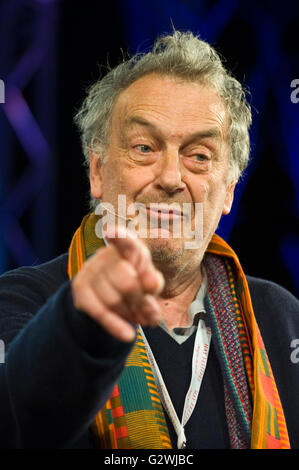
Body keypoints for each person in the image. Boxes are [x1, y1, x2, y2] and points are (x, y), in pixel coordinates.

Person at [0, 30, 298, 450]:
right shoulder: (19, 302)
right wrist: (80, 324)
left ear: (229, 189)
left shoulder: (283, 320)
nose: (172, 178)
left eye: (199, 156)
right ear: (97, 171)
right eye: (144, 147)